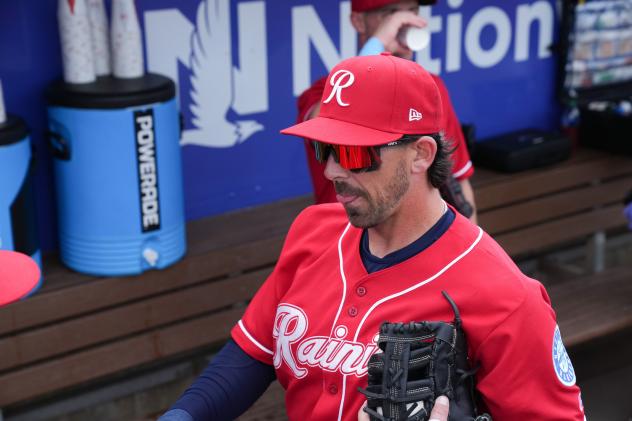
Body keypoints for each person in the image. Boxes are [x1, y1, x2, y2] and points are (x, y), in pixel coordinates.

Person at [160, 54, 585, 420]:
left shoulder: (507, 298)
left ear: (421, 154)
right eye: (323, 149)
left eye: (354, 153)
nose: (331, 172)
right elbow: (253, 352)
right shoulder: (314, 230)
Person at [297, 0, 478, 222]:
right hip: (342, 238)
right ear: (358, 21)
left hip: (417, 241)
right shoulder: (326, 90)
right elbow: (321, 125)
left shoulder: (431, 88)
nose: (403, 23)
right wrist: (378, 44)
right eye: (390, 13)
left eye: (412, 11)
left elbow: (459, 183)